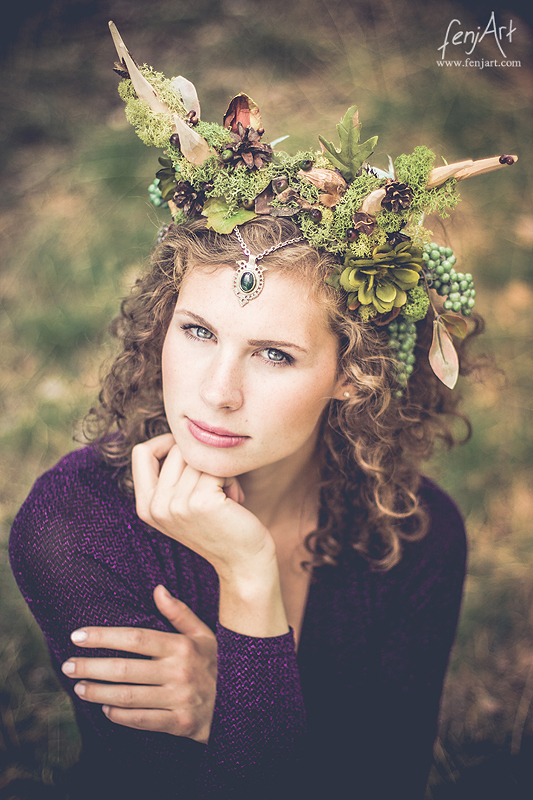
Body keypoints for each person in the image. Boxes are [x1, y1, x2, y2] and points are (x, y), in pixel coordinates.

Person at [9, 22, 517, 800]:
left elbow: (389, 780)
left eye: (274, 354)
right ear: (162, 319)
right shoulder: (76, 524)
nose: (217, 390)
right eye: (199, 331)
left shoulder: (412, 533)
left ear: (354, 375)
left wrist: (245, 609)